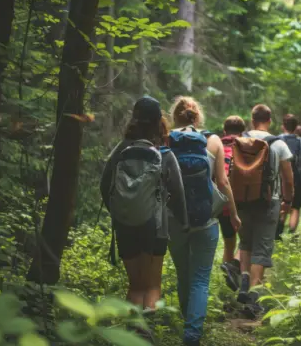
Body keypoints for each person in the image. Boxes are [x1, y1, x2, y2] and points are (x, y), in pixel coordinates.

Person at [100, 96, 188, 341]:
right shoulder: (164, 152)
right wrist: (184, 222)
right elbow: (178, 193)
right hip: (155, 228)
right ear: (159, 121)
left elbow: (104, 185)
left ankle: (131, 333)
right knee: (151, 286)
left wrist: (120, 212)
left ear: (134, 119)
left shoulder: (120, 150)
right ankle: (144, 332)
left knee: (134, 285)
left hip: (125, 225)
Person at [168, 96, 241, 346]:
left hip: (173, 219)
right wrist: (233, 213)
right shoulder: (213, 141)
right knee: (200, 278)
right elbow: (223, 182)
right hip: (207, 219)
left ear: (174, 116)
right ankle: (192, 335)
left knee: (183, 274)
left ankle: (187, 320)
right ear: (197, 116)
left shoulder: (165, 141)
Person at [237, 104, 294, 316]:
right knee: (261, 249)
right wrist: (287, 202)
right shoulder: (278, 144)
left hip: (242, 201)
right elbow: (288, 178)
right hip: (269, 202)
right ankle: (254, 299)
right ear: (269, 120)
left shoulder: (240, 141)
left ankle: (244, 279)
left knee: (246, 243)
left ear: (252, 120)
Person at [218, 116, 246, 292]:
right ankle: (238, 275)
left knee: (229, 242)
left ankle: (225, 288)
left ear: (224, 131)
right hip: (243, 202)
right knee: (247, 243)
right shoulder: (247, 147)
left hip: (221, 203)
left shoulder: (215, 146)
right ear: (242, 132)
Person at [276, 114, 301, 240]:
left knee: (282, 203)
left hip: (280, 177)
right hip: (297, 178)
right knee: (295, 206)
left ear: (282, 126)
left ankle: (278, 231)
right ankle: (291, 234)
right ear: (296, 127)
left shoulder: (277, 140)